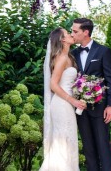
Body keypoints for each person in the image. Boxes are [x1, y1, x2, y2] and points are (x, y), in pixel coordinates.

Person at [71, 18, 111, 171]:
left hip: (100, 109)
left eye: (75, 31)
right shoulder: (72, 54)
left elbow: (110, 79)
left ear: (86, 32)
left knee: (103, 147)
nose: (72, 34)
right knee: (88, 149)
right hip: (81, 109)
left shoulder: (103, 51)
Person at [40, 27, 86, 171]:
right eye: (68, 33)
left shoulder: (69, 57)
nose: (71, 35)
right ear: (62, 40)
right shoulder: (61, 58)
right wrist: (72, 100)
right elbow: (53, 85)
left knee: (68, 141)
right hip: (62, 104)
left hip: (66, 104)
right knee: (62, 142)